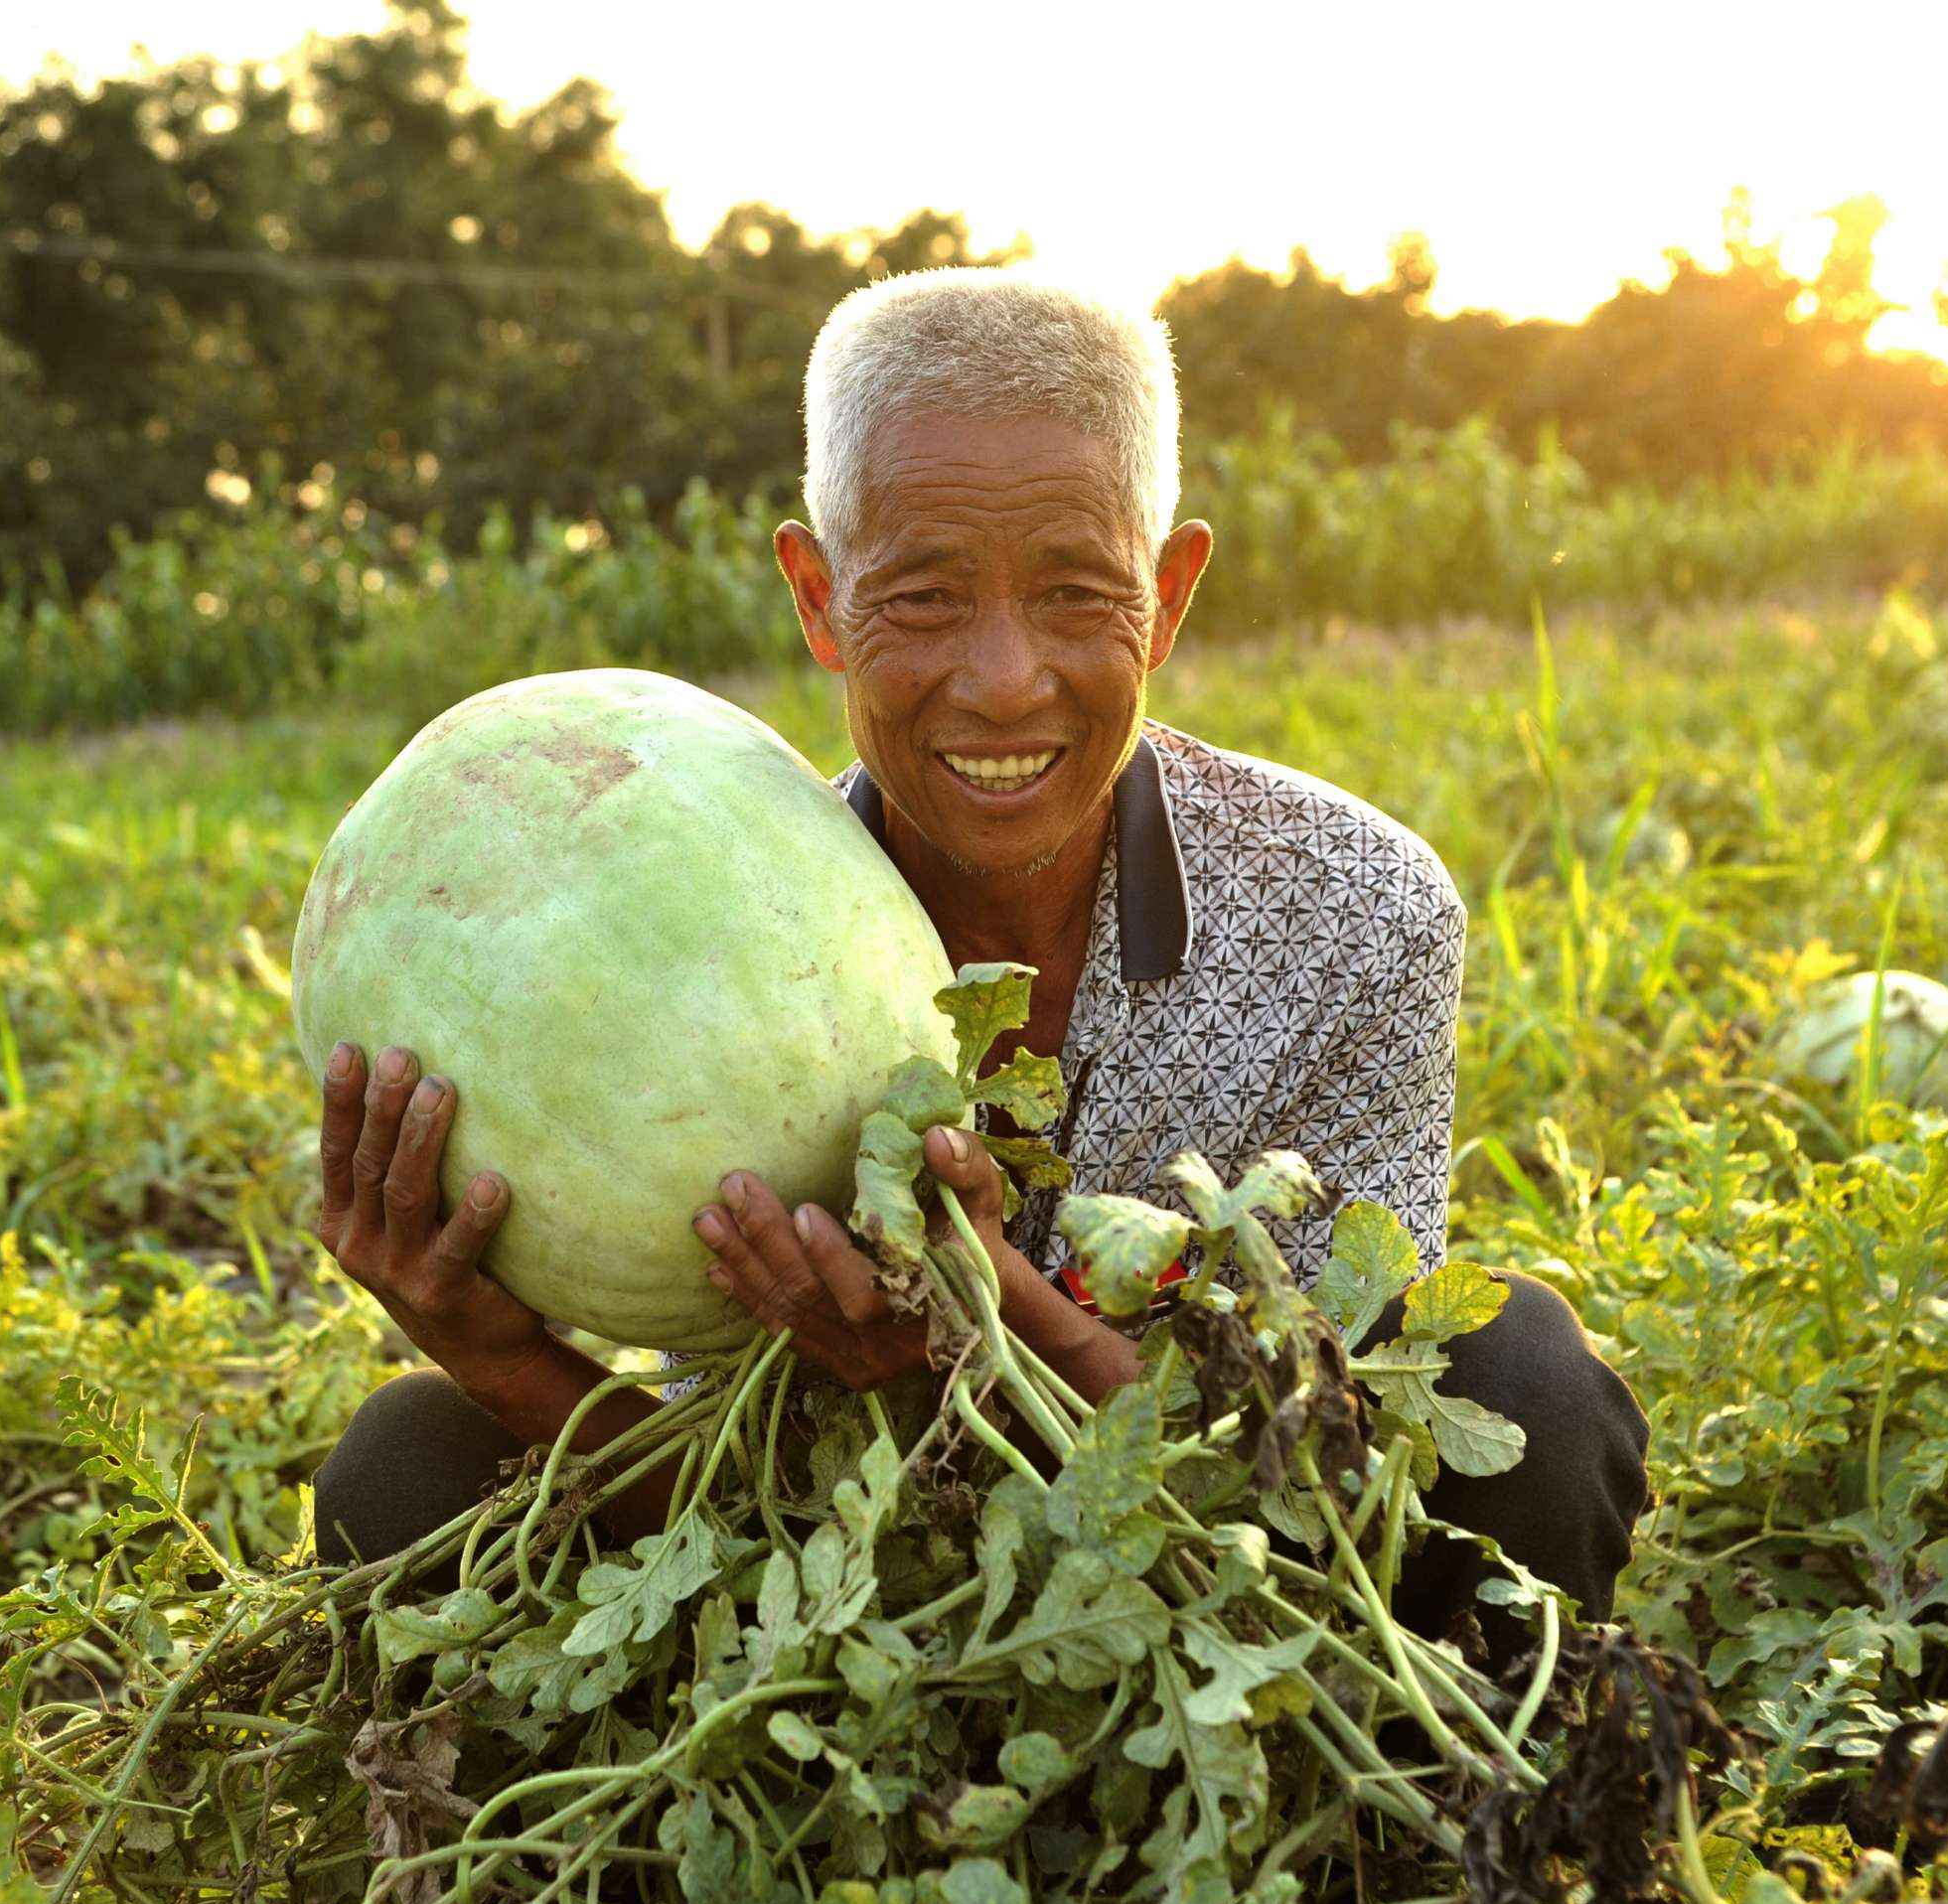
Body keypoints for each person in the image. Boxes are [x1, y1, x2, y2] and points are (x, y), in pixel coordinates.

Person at [306, 268, 1647, 1642]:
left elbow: (1323, 1470)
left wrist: (991, 1342)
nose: (1004, 679)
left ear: (1167, 594)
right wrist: (491, 1351)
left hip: (1247, 1636)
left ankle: (1435, 1837)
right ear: (819, 598)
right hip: (831, 1626)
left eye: (1075, 592)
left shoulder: (1357, 914)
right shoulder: (690, 946)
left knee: (1516, 1381)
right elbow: (722, 1526)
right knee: (406, 1467)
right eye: (926, 600)